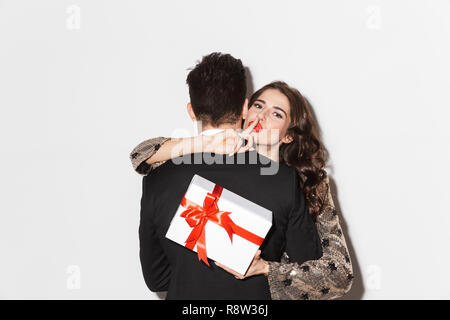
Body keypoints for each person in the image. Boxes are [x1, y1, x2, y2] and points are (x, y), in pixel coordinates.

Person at [138, 52, 323, 300]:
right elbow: (308, 274)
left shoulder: (157, 178)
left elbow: (156, 278)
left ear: (192, 112)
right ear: (245, 107)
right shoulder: (283, 180)